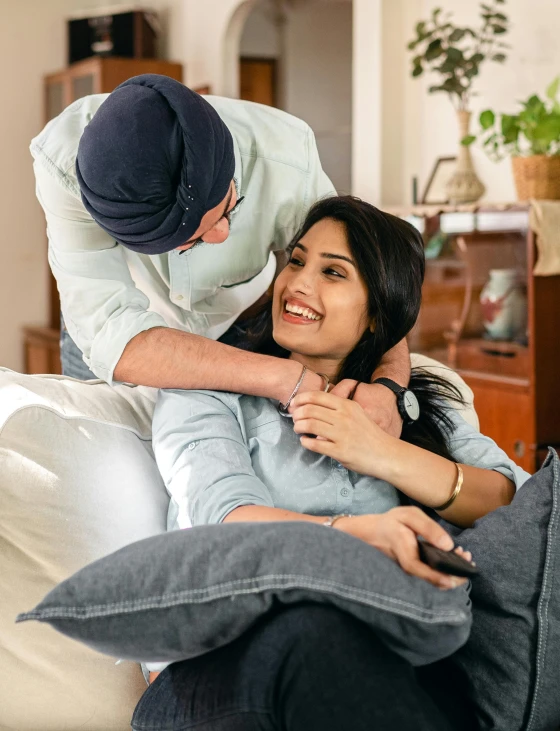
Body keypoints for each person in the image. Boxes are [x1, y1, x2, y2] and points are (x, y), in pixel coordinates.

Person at [134, 196, 530, 731]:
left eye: (333, 272)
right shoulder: (211, 392)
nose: (298, 283)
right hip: (218, 670)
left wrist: (382, 453)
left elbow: (513, 501)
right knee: (314, 636)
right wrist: (362, 535)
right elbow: (224, 520)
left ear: (376, 316)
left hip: (385, 663)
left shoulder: (416, 404)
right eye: (296, 261)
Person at [31, 74, 409, 438]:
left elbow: (376, 277)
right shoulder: (63, 167)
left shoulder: (288, 161)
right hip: (119, 325)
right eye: (192, 240)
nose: (223, 234)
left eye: (229, 207)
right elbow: (112, 335)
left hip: (240, 325)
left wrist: (390, 385)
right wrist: (284, 378)